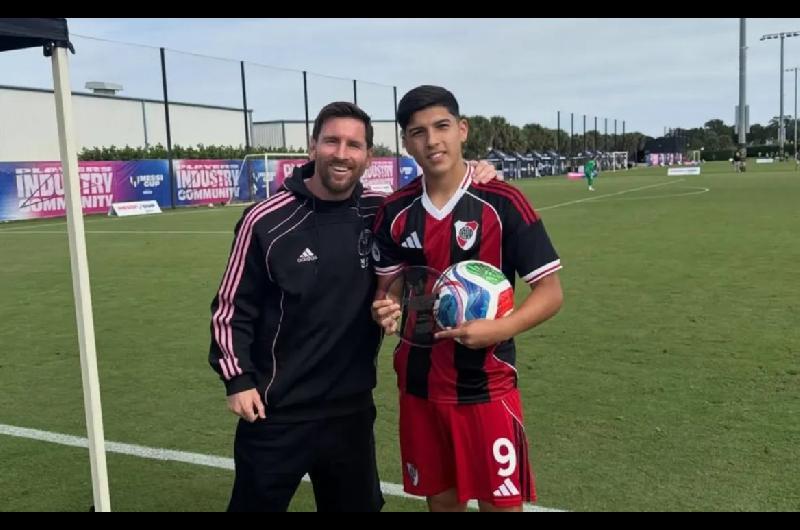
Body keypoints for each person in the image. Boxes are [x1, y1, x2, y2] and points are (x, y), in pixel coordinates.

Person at [209, 101, 500, 512]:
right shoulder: (265, 220)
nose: (342, 154)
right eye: (332, 141)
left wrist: (478, 172)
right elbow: (231, 308)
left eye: (354, 145)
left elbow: (439, 197)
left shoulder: (380, 211)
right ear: (313, 146)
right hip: (277, 411)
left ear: (368, 156)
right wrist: (238, 380)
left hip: (351, 411)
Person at [371, 86, 564, 512]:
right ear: (406, 142)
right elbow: (391, 290)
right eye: (418, 132)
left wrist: (502, 328)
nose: (432, 141)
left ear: (462, 130)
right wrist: (386, 307)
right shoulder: (395, 211)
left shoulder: (503, 202)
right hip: (419, 384)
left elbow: (551, 292)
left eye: (441, 127)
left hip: (486, 385)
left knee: (501, 505)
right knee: (442, 502)